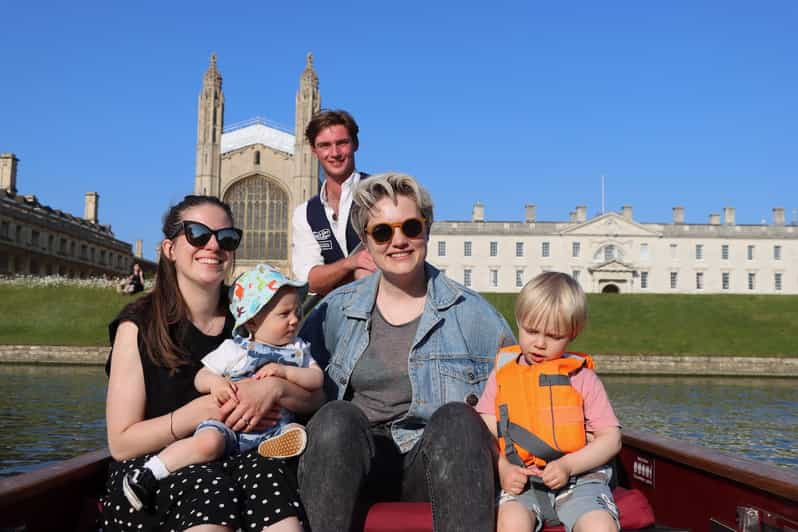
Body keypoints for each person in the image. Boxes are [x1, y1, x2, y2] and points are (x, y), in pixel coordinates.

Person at [297, 173, 516, 532]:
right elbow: (289, 376)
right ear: (366, 243)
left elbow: (517, 398)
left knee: (459, 420)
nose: (398, 241)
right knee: (337, 418)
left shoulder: (476, 316)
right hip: (352, 462)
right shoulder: (332, 311)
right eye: (382, 232)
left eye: (410, 227)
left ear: (427, 230)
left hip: (434, 465)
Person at [102, 195, 322, 532]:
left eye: (227, 237)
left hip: (242, 457)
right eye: (198, 234)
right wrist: (195, 414)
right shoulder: (138, 326)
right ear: (170, 248)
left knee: (273, 488)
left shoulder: (257, 314)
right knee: (211, 493)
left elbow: (316, 399)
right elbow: (121, 443)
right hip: (158, 466)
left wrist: (275, 389)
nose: (214, 245)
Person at [475, 272, 622, 532]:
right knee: (511, 524)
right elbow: (486, 427)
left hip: (580, 480)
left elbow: (611, 439)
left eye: (553, 336)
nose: (539, 343)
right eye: (531, 331)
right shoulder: (502, 375)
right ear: (518, 321)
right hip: (522, 480)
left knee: (600, 527)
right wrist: (504, 467)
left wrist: (568, 465)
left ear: (572, 334)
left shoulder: (582, 378)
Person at [290, 109, 377, 296]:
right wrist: (351, 263)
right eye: (324, 145)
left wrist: (331, 274)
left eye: (342, 143)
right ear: (314, 151)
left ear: (355, 144)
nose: (335, 153)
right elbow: (310, 281)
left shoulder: (379, 194)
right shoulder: (305, 213)